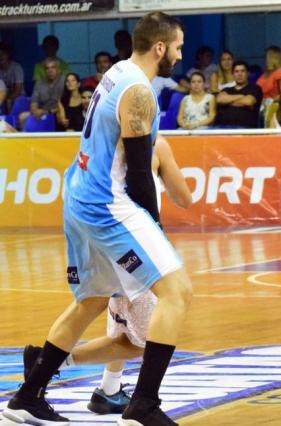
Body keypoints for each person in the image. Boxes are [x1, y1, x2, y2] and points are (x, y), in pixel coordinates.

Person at [2, 12, 191, 426]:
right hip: (107, 204)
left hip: (78, 194)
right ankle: (143, 403)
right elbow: (141, 173)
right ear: (159, 47)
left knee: (91, 299)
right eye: (177, 47)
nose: (179, 54)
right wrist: (155, 229)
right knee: (177, 290)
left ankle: (26, 395)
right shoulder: (139, 91)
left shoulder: (117, 72)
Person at [23, 134, 192, 415]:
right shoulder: (156, 145)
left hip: (101, 239)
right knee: (141, 341)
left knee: (114, 319)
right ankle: (49, 362)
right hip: (133, 243)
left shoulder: (99, 146)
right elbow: (184, 198)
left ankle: (109, 389)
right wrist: (165, 172)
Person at [19, 57, 65, 129]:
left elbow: (67, 104)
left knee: (60, 116)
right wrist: (35, 110)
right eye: (47, 68)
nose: (50, 70)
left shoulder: (64, 81)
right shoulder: (39, 83)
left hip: (59, 111)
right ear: (44, 71)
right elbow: (34, 102)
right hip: (43, 111)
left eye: (53, 67)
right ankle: (25, 139)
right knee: (22, 117)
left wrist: (49, 111)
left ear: (58, 70)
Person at [215, 60, 263, 128]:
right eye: (236, 71)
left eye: (242, 71)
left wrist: (227, 102)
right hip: (221, 128)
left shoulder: (255, 88)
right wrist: (241, 96)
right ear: (233, 74)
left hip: (244, 128)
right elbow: (219, 99)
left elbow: (248, 102)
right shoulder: (227, 90)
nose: (239, 74)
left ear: (248, 73)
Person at [0, 42, 25, 111]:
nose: (0, 56)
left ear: (8, 55)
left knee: (9, 100)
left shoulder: (16, 67)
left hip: (18, 99)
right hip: (2, 98)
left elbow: (18, 90)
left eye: (3, 54)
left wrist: (4, 97)